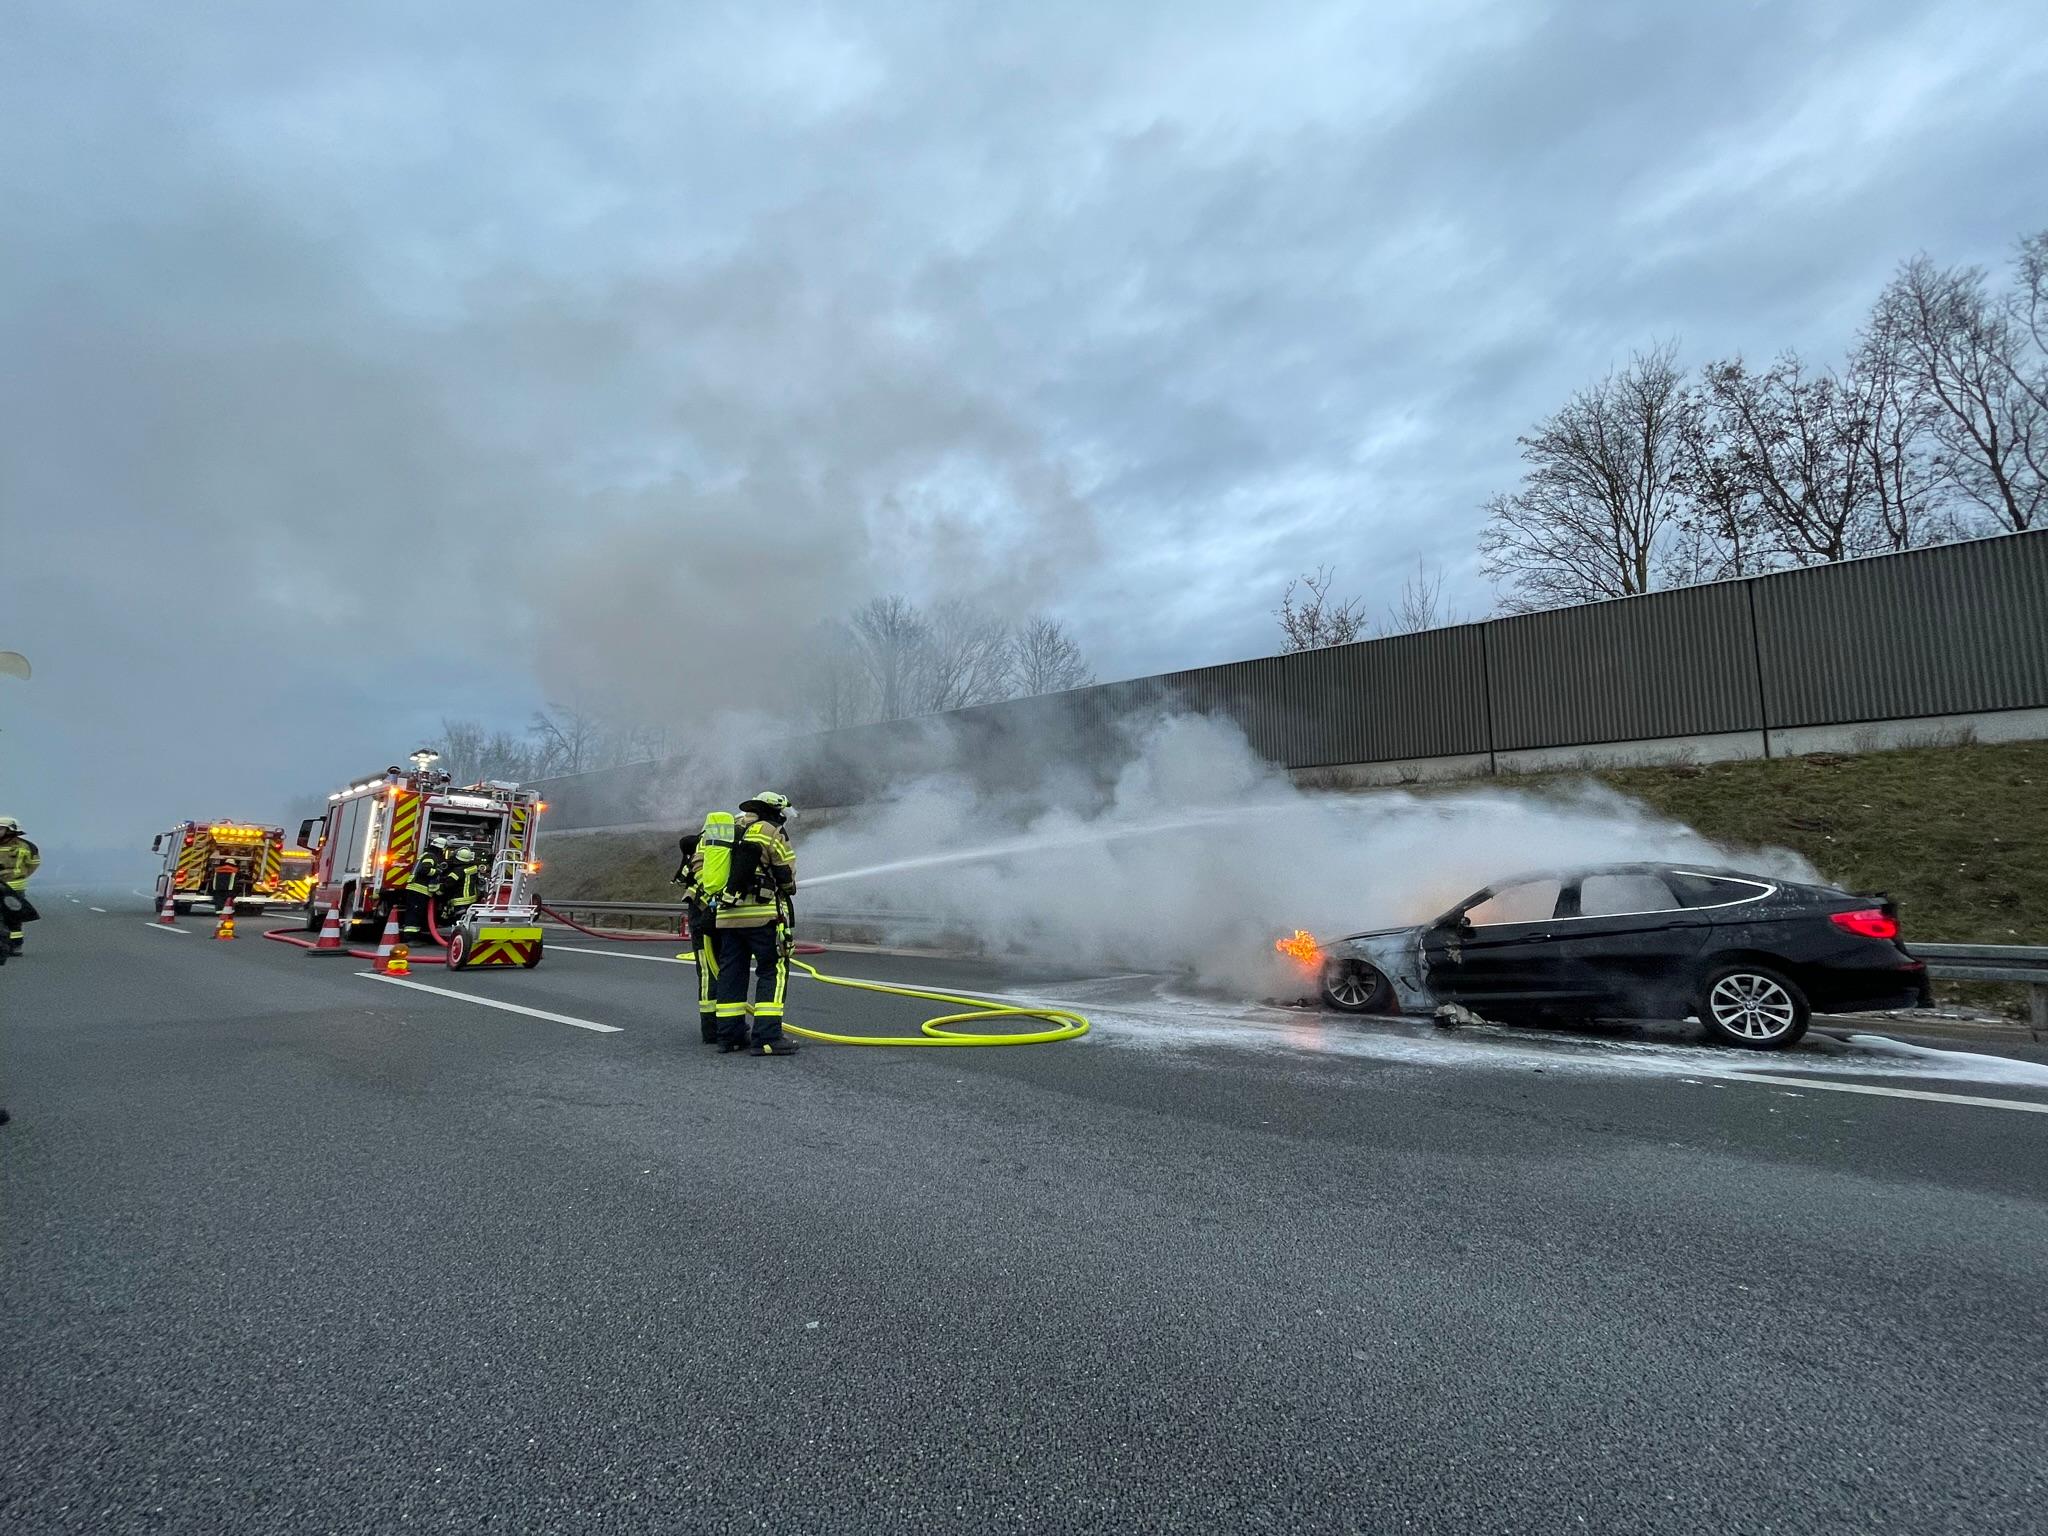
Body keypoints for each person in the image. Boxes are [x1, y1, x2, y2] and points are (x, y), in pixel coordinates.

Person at [712, 792, 799, 1056]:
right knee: (773, 969)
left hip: (727, 917)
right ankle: (768, 1036)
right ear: (775, 810)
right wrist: (789, 886)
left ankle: (729, 1035)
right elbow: (784, 873)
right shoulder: (770, 830)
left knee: (731, 973)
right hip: (762, 916)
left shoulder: (732, 829)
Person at [0, 817, 40, 956]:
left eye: (1, 828)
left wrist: (21, 875)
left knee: (13, 917)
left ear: (11, 829)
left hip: (14, 887)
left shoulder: (26, 846)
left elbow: (33, 863)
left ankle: (16, 945)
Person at [394, 837, 447, 940]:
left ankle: (413, 936)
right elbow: (424, 870)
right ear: (441, 849)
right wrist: (438, 871)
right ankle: (409, 938)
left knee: (416, 913)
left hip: (419, 890)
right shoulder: (430, 856)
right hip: (418, 889)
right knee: (414, 913)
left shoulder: (428, 855)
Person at [439, 846, 482, 928]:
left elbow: (449, 883)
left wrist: (439, 889)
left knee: (457, 920)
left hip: (459, 900)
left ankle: (454, 933)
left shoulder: (458, 871)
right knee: (466, 920)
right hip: (471, 899)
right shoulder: (473, 867)